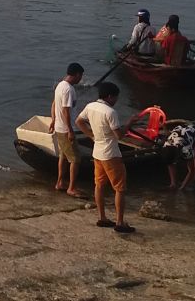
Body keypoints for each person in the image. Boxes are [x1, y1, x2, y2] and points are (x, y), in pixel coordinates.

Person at [76, 82, 134, 233]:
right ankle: (120, 222)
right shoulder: (110, 112)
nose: (116, 100)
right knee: (120, 188)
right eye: (116, 97)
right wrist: (129, 124)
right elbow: (119, 135)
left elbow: (79, 121)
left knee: (99, 185)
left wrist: (91, 135)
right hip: (111, 154)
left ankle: (102, 217)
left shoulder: (91, 106)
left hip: (97, 152)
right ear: (110, 96)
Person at [49, 63, 86, 197]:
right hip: (65, 129)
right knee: (75, 159)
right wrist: (70, 130)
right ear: (76, 74)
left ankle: (60, 182)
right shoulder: (69, 89)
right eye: (80, 76)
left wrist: (53, 120)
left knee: (64, 156)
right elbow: (65, 111)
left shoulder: (60, 85)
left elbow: (54, 103)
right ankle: (72, 187)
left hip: (60, 127)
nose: (81, 79)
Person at [162, 121, 195, 190]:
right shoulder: (166, 144)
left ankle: (194, 186)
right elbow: (169, 162)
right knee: (170, 161)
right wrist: (173, 184)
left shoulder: (185, 149)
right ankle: (173, 184)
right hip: (184, 136)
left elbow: (192, 170)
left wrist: (182, 188)